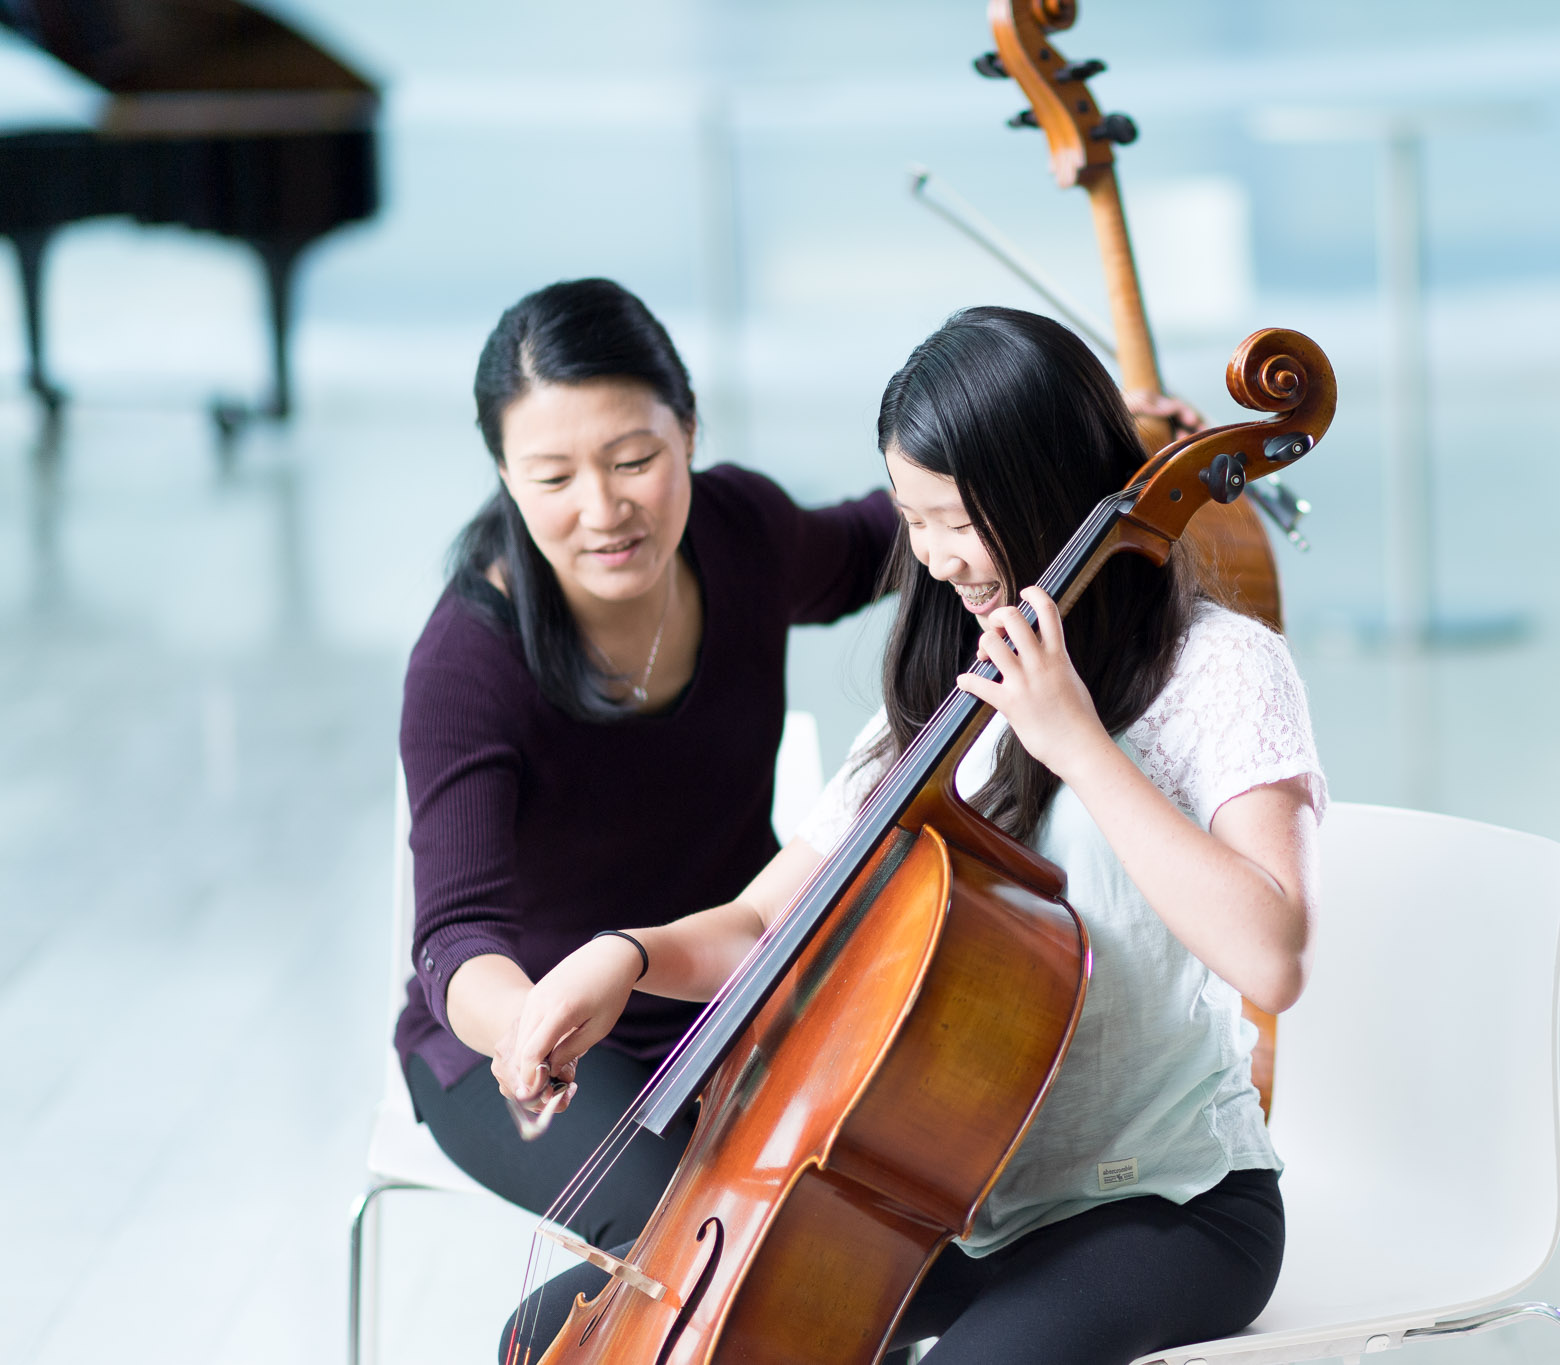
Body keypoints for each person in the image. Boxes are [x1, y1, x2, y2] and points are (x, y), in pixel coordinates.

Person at [499, 305, 1325, 1365]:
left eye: (957, 521)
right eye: (911, 519)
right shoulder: (943, 694)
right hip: (953, 1210)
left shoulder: (1218, 669)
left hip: (1165, 1207)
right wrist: (625, 958)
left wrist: (1077, 742)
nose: (933, 558)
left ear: (1050, 491)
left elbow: (1274, 954)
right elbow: (765, 923)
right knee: (551, 1334)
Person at [397, 277, 899, 1252]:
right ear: (504, 475)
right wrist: (532, 1027)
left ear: (689, 431)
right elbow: (455, 937)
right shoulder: (466, 662)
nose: (603, 510)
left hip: (728, 982)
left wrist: (1080, 448)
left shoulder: (738, 530)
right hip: (540, 1036)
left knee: (899, 1196)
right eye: (552, 478)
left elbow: (885, 536)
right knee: (708, 1231)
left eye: (634, 460)